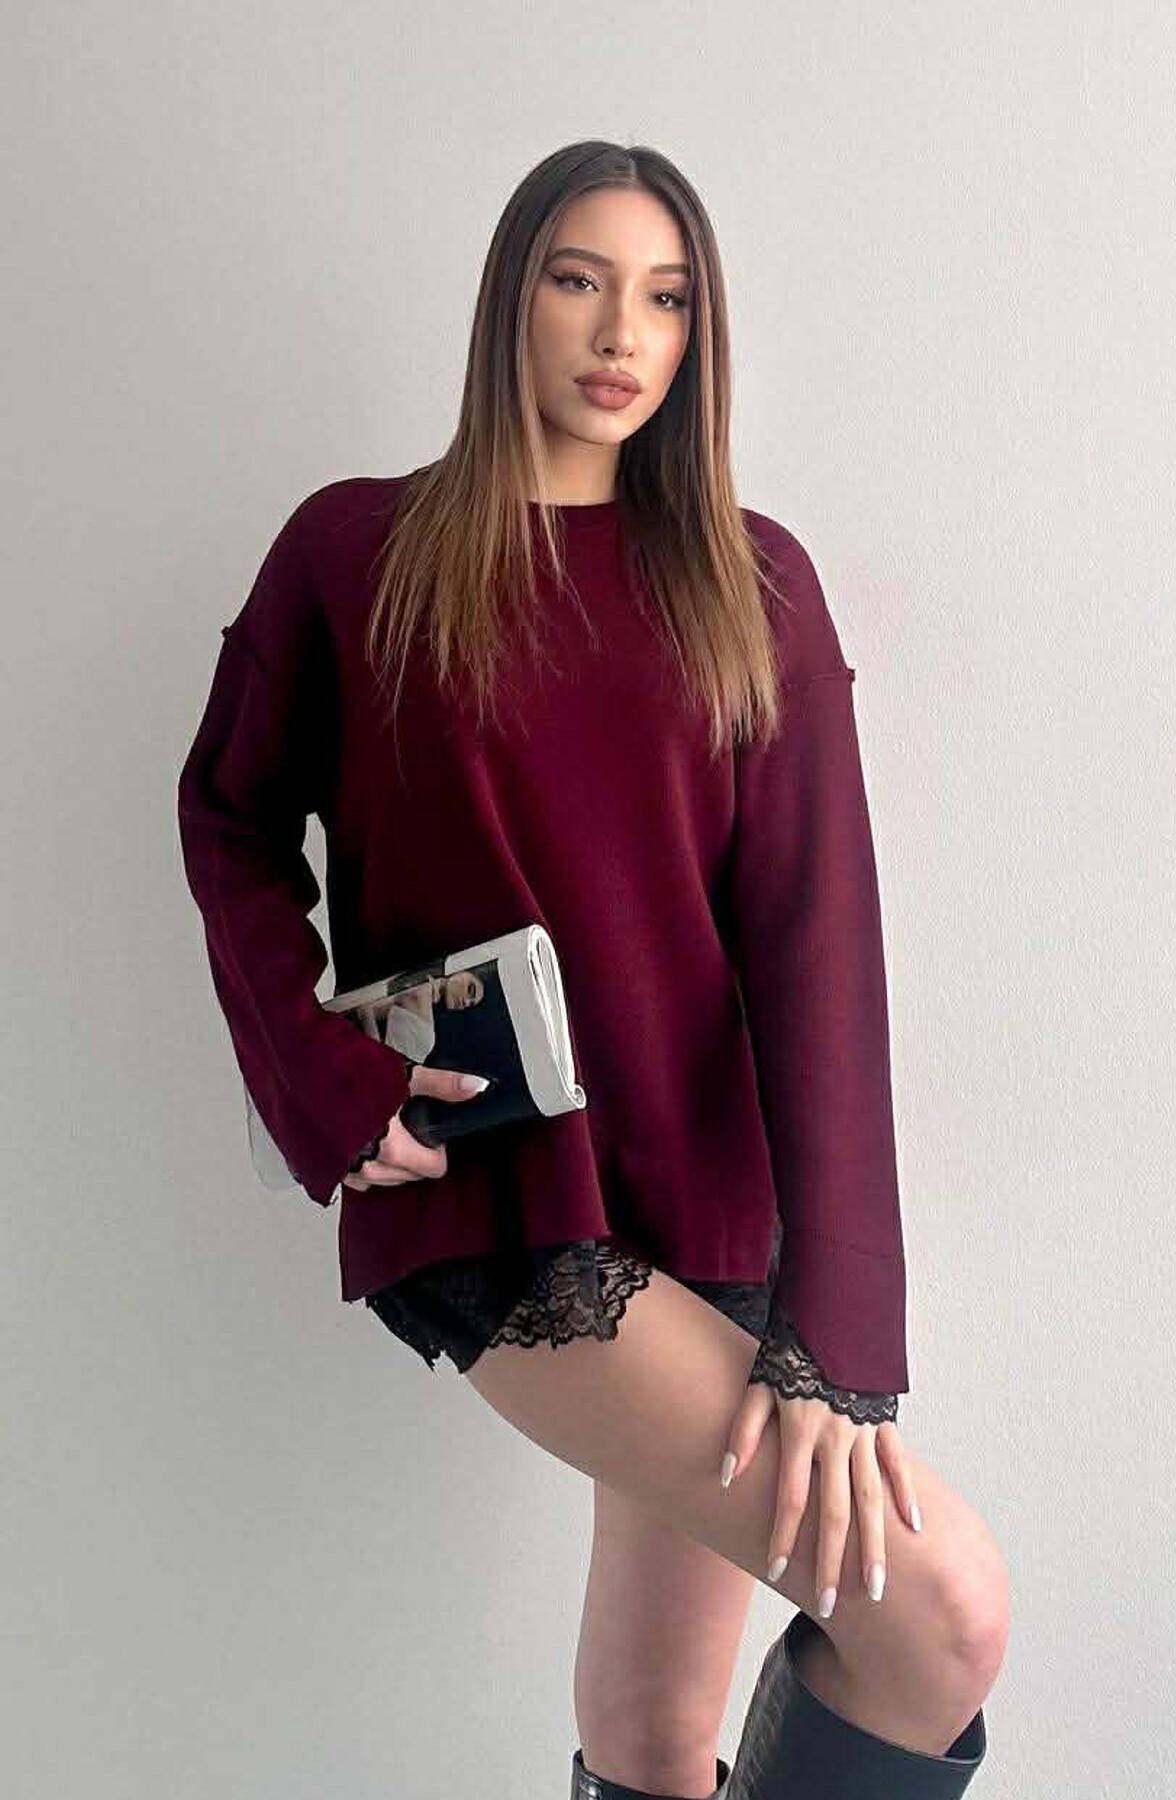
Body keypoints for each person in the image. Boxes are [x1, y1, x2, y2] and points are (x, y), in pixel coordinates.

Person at [177, 140, 1008, 1800]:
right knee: (943, 1617)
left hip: (719, 1209)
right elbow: (229, 820)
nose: (622, 333)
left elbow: (822, 955)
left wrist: (842, 1335)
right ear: (513, 299)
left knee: (651, 1736)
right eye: (579, 280)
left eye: (667, 298)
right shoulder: (354, 552)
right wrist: (327, 1085)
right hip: (499, 1192)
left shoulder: (751, 581)